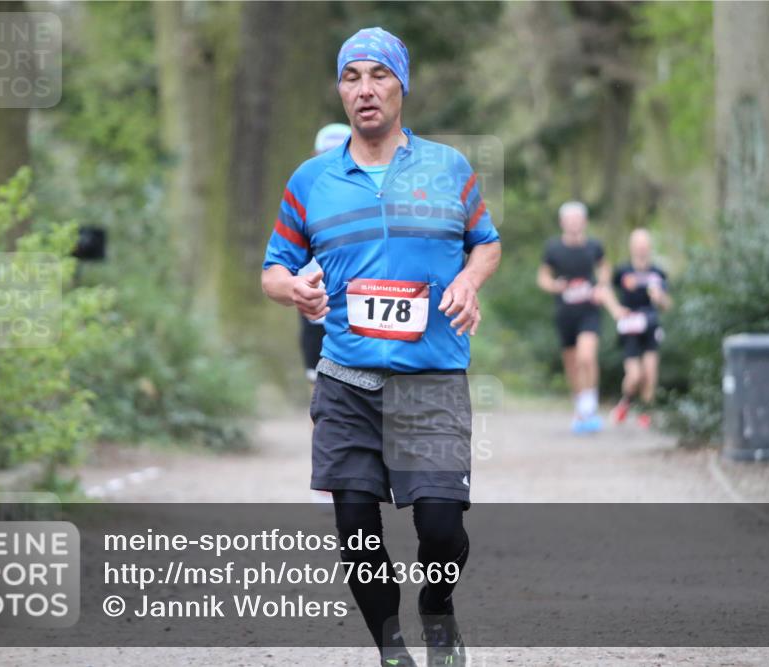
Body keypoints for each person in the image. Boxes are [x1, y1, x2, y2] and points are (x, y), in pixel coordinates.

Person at [261, 27, 501, 667]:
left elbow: (487, 241)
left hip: (432, 377)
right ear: (340, 89)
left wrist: (469, 280)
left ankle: (438, 608)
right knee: (357, 533)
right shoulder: (311, 180)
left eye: (378, 76)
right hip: (346, 380)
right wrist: (297, 292)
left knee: (443, 531)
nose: (364, 90)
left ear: (402, 85)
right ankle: (391, 648)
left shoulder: (447, 168)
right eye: (351, 77)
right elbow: (274, 268)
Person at [537, 201, 624, 434]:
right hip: (565, 314)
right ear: (562, 222)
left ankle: (590, 404)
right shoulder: (553, 248)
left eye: (578, 219)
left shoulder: (594, 246)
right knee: (572, 363)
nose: (574, 224)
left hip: (589, 311)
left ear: (584, 222)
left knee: (587, 356)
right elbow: (543, 277)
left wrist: (602, 285)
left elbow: (605, 268)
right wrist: (555, 285)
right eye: (570, 220)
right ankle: (580, 408)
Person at [298, 123, 353, 384]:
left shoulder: (370, 192)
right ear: (314, 155)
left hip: (359, 297)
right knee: (317, 375)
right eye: (326, 154)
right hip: (315, 296)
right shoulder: (303, 192)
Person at [609, 229, 672, 428]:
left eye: (645, 243)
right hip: (630, 328)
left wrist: (659, 298)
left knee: (650, 372)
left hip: (651, 325)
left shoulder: (658, 272)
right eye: (638, 243)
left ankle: (646, 412)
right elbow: (604, 290)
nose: (641, 247)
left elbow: (667, 305)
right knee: (635, 375)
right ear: (631, 246)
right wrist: (616, 309)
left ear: (650, 246)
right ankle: (625, 403)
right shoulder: (622, 271)